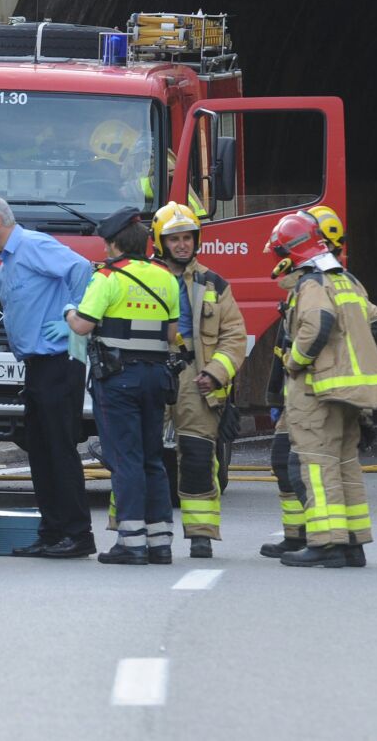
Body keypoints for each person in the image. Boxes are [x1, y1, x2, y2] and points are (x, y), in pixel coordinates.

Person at [265, 210, 377, 568]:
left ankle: (325, 544)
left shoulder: (312, 284)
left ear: (292, 250)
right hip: (350, 393)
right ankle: (353, 544)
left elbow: (317, 322)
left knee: (318, 468)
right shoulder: (345, 280)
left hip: (316, 392)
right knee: (346, 466)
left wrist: (295, 361)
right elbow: (374, 316)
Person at [66, 206, 180, 564]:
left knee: (125, 459)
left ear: (115, 244)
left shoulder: (108, 278)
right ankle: (160, 542)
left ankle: (131, 543)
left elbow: (82, 326)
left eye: (106, 244)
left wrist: (68, 311)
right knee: (152, 458)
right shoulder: (165, 278)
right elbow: (174, 334)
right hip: (156, 378)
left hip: (118, 381)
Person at [0, 196, 96, 559]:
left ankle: (77, 533)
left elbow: (82, 268)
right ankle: (52, 531)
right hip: (37, 366)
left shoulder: (33, 245)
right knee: (40, 451)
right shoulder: (6, 264)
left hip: (58, 360)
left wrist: (75, 320)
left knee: (59, 448)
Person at [152, 202, 246, 558]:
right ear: (161, 242)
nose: (181, 245)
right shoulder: (144, 277)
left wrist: (215, 373)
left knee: (197, 454)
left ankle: (201, 536)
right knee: (143, 453)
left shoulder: (215, 284)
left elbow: (234, 336)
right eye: (173, 239)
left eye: (187, 238)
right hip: (152, 370)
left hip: (196, 376)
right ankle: (136, 532)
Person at [261, 204, 346, 559]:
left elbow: (323, 332)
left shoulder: (323, 285)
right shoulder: (304, 285)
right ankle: (296, 534)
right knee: (285, 461)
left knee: (306, 464)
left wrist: (299, 365)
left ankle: (320, 538)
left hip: (313, 391)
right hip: (294, 391)